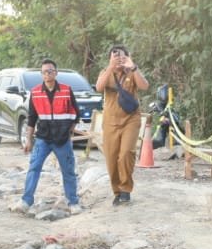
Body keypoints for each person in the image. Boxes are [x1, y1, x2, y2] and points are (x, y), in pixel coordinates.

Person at [18, 58, 82, 214]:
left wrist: (68, 131)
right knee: (34, 168)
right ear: (41, 74)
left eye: (51, 71)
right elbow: (32, 118)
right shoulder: (35, 92)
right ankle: (26, 201)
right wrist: (28, 140)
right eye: (45, 71)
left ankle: (73, 202)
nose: (48, 74)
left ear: (56, 73)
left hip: (62, 140)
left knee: (68, 171)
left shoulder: (66, 90)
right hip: (43, 139)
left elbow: (76, 113)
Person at [95, 44, 149, 205]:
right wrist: (111, 68)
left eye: (122, 56)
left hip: (131, 120)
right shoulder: (106, 72)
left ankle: (125, 189)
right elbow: (98, 87)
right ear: (110, 58)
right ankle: (116, 191)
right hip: (110, 121)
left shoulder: (132, 72)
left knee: (126, 153)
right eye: (115, 56)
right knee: (111, 157)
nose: (119, 59)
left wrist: (133, 67)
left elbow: (144, 86)